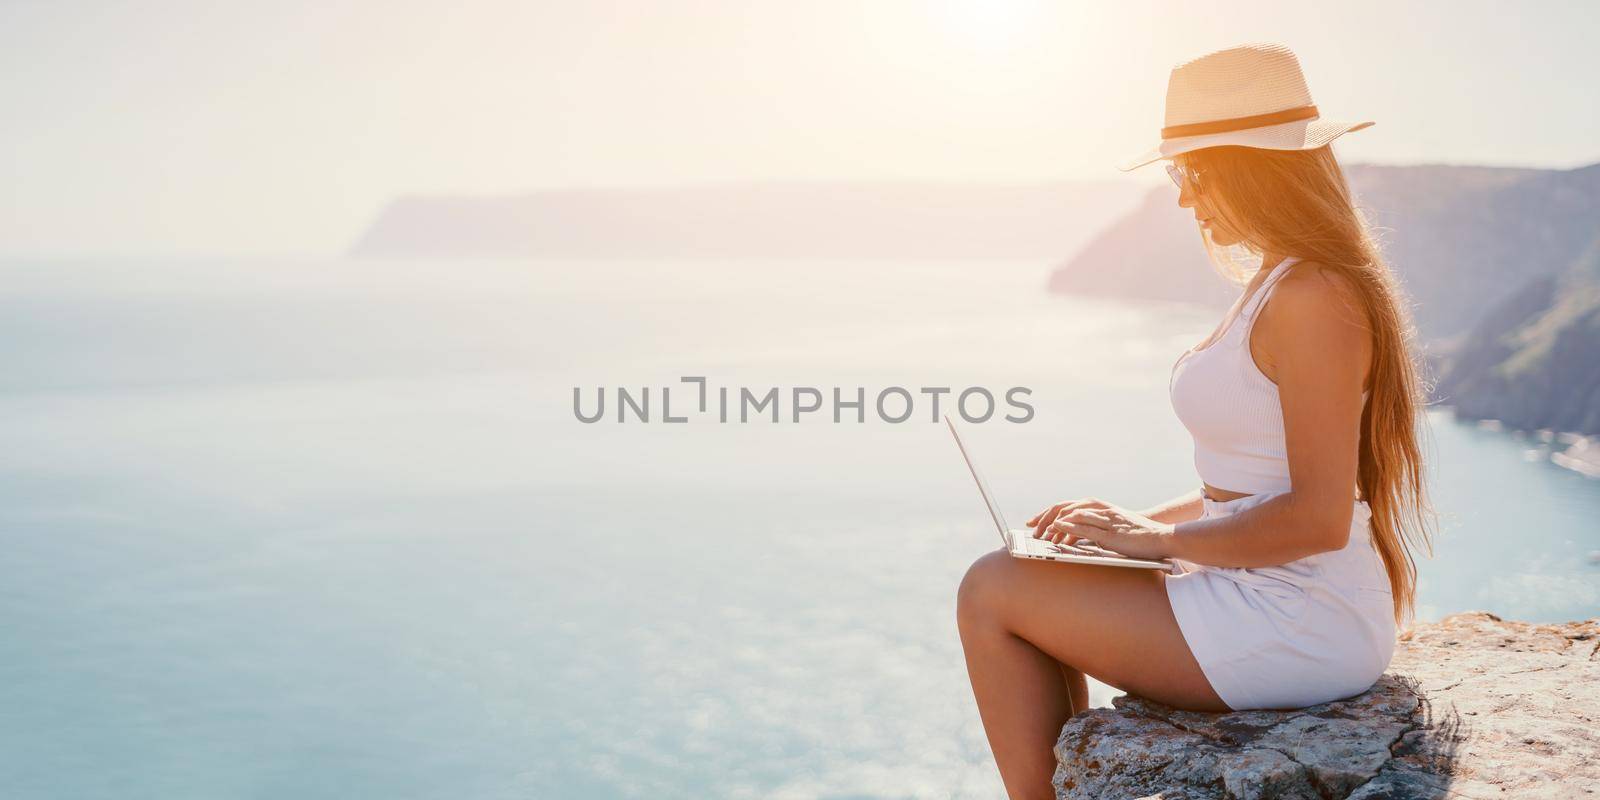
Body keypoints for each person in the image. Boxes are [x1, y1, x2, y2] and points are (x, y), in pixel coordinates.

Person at [954, 43, 1434, 799]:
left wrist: (1158, 543)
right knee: (1031, 574)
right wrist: (1124, 528)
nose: (1183, 199)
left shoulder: (1311, 297)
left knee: (991, 592)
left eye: (1190, 172)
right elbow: (1250, 486)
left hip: (1297, 620)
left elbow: (1317, 518)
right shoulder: (1285, 280)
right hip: (1273, 601)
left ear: (1249, 168)